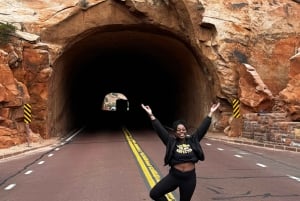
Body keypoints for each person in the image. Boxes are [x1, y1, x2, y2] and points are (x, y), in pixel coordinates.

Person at [141, 102, 220, 201]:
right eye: (178, 130)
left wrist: (210, 113)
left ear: (186, 130)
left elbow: (202, 129)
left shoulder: (193, 140)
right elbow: (160, 130)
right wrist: (151, 115)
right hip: (174, 176)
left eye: (183, 129)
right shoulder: (171, 142)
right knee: (154, 193)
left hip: (189, 178)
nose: (181, 131)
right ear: (175, 132)